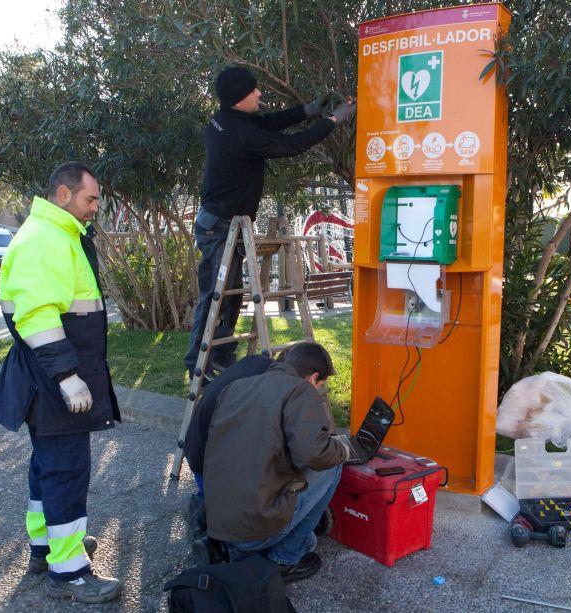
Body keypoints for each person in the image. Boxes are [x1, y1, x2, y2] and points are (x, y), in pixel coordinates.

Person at [0, 162, 122, 603]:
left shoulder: (53, 234)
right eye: (91, 200)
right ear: (63, 194)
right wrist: (68, 376)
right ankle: (69, 572)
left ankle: (46, 546)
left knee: (48, 465)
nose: (95, 209)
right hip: (53, 378)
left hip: (43, 376)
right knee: (66, 469)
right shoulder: (45, 238)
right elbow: (37, 315)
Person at [184, 66, 356, 381]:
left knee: (230, 295)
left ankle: (220, 359)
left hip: (224, 223)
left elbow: (269, 122)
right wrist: (332, 121)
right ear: (239, 98)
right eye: (254, 90)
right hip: (220, 227)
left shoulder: (223, 122)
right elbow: (290, 146)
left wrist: (307, 110)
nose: (260, 94)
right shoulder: (240, 135)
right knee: (215, 296)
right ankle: (198, 363)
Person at [196, 342, 350, 583]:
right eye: (321, 386)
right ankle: (285, 560)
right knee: (333, 465)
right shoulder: (300, 389)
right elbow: (314, 454)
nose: (319, 391)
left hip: (218, 519)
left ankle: (233, 550)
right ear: (313, 378)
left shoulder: (237, 387)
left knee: (308, 538)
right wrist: (342, 449)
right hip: (254, 527)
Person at [181, 353, 274, 542]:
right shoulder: (268, 389)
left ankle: (205, 503)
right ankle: (206, 512)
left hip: (196, 452)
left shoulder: (256, 362)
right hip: (209, 467)